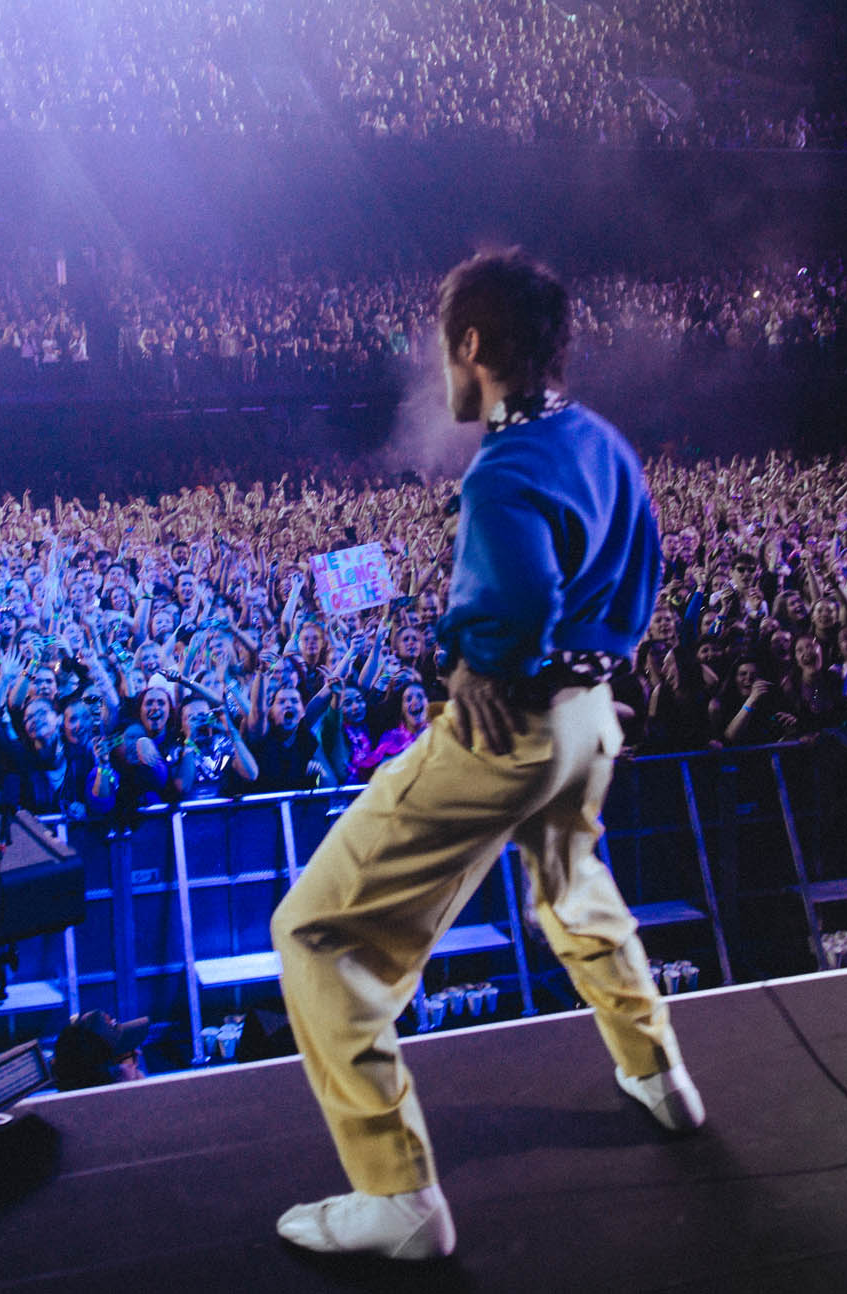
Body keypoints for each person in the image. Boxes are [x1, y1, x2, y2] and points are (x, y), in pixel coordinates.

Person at [270, 250, 699, 1262]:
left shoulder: (506, 465)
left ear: (470, 343)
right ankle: (659, 1076)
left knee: (317, 930)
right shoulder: (599, 440)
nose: (440, 366)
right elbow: (640, 573)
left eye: (442, 344)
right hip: (590, 721)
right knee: (573, 888)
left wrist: (479, 660)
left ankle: (396, 1193)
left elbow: (518, 598)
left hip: (512, 726)